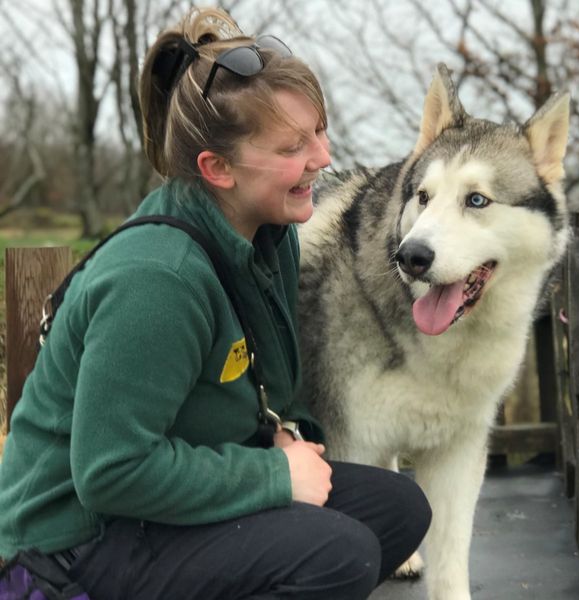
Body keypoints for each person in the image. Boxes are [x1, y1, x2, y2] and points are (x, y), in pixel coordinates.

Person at [0, 7, 430, 599]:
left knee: (397, 508)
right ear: (217, 168)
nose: (322, 158)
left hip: (153, 511)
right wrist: (273, 476)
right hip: (73, 546)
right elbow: (110, 473)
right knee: (340, 554)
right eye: (293, 146)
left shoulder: (264, 239)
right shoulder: (157, 281)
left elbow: (266, 392)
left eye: (320, 132)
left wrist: (288, 438)